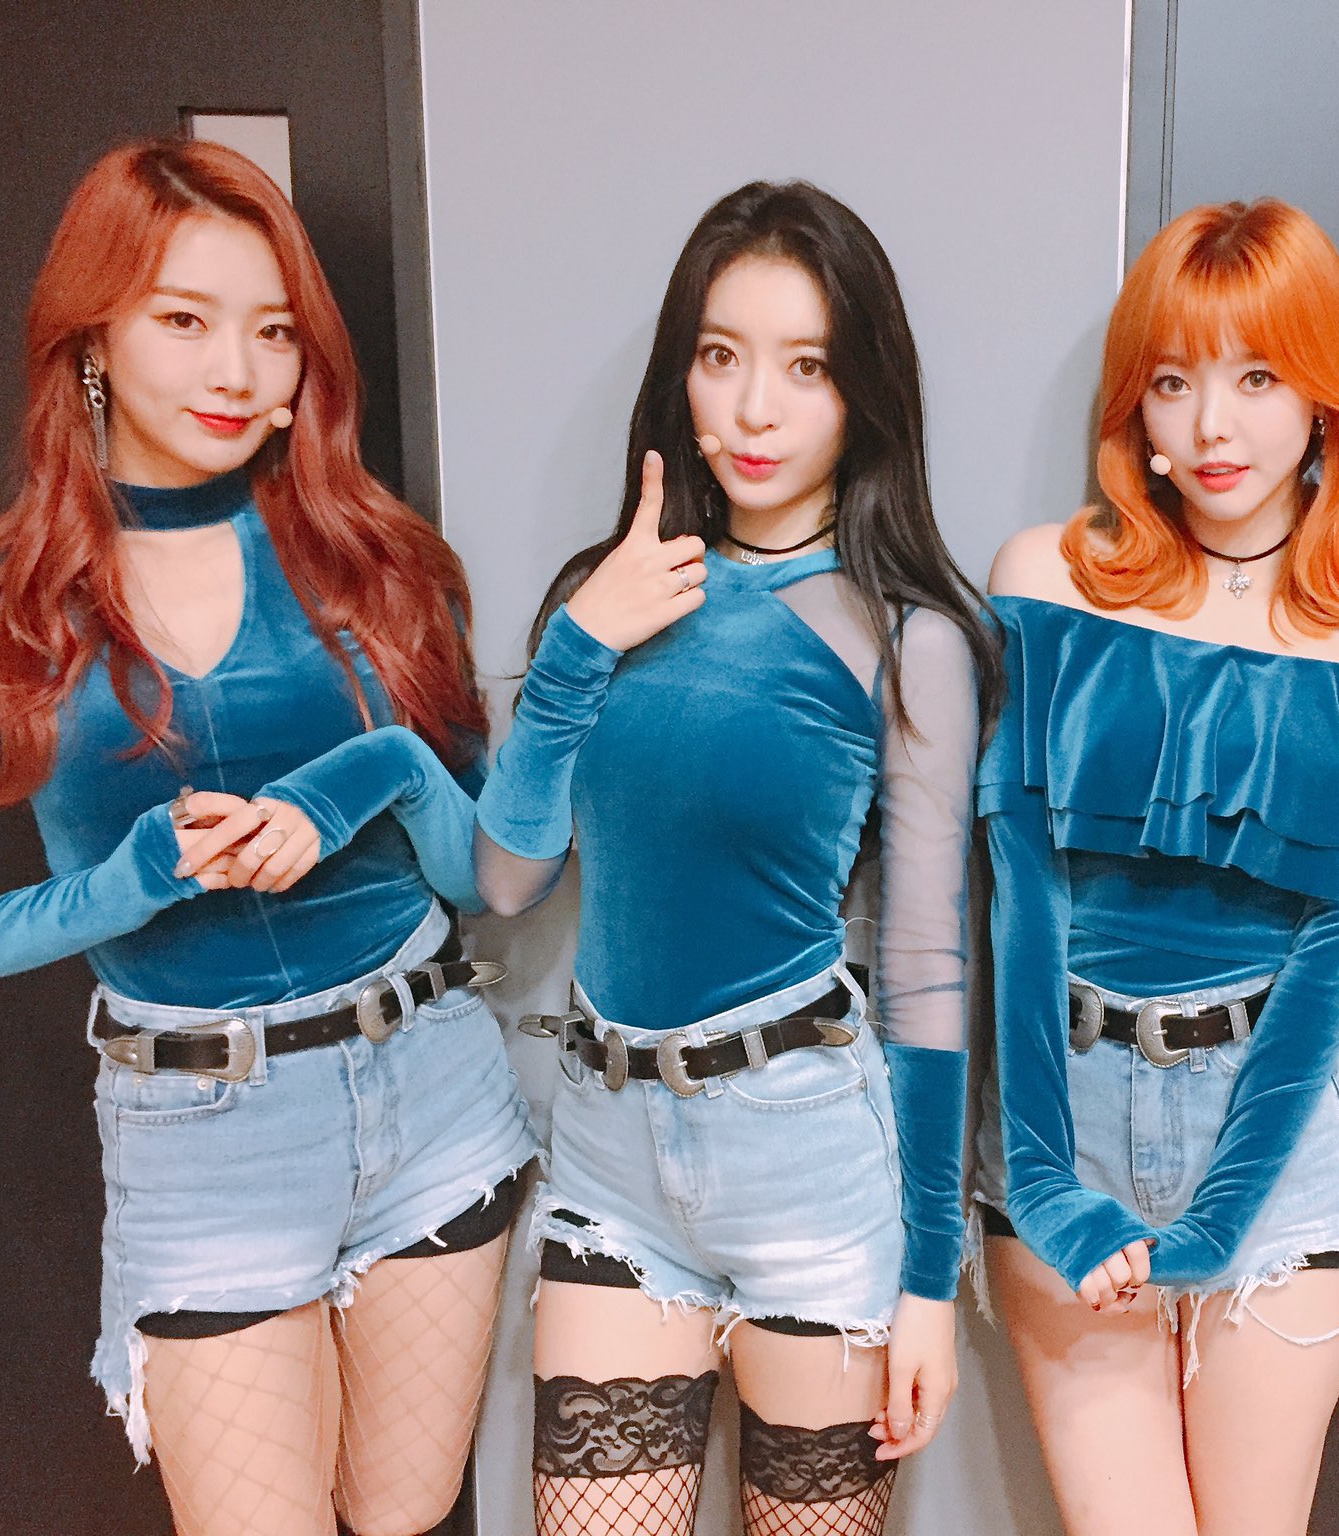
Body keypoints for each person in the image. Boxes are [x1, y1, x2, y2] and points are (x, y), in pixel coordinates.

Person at [0, 138, 536, 1536]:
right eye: (185, 321)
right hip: (205, 1133)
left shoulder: (381, 562)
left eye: (274, 332)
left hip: (430, 1088)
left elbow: (483, 875)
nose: (238, 373)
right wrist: (125, 884)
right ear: (91, 339)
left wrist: (373, 778)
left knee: (402, 1516)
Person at [470, 181, 1002, 1536]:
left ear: (863, 391)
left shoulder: (908, 635)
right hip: (608, 1161)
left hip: (807, 1159)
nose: (756, 408)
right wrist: (576, 646)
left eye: (806, 366)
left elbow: (929, 973)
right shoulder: (607, 594)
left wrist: (928, 1283)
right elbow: (507, 880)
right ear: (682, 373)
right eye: (722, 356)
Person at [971, 198, 1339, 1536]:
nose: (1212, 426)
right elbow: (1022, 899)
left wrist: (1215, 1223)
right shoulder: (1050, 583)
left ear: (1322, 404)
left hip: (1281, 1135)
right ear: (1133, 408)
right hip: (1065, 1115)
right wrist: (1044, 1185)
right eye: (1174, 381)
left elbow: (1333, 970)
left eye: (1258, 378)